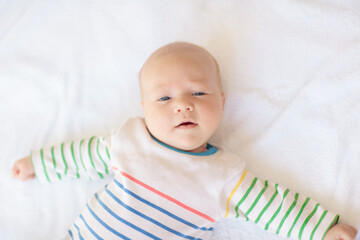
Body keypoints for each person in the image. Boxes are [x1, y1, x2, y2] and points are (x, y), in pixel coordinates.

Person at [12, 42, 358, 240]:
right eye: (164, 99)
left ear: (222, 102)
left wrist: (321, 230)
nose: (182, 104)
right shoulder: (131, 139)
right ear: (144, 109)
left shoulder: (225, 175)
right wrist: (39, 164)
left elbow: (273, 207)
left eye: (198, 92)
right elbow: (82, 156)